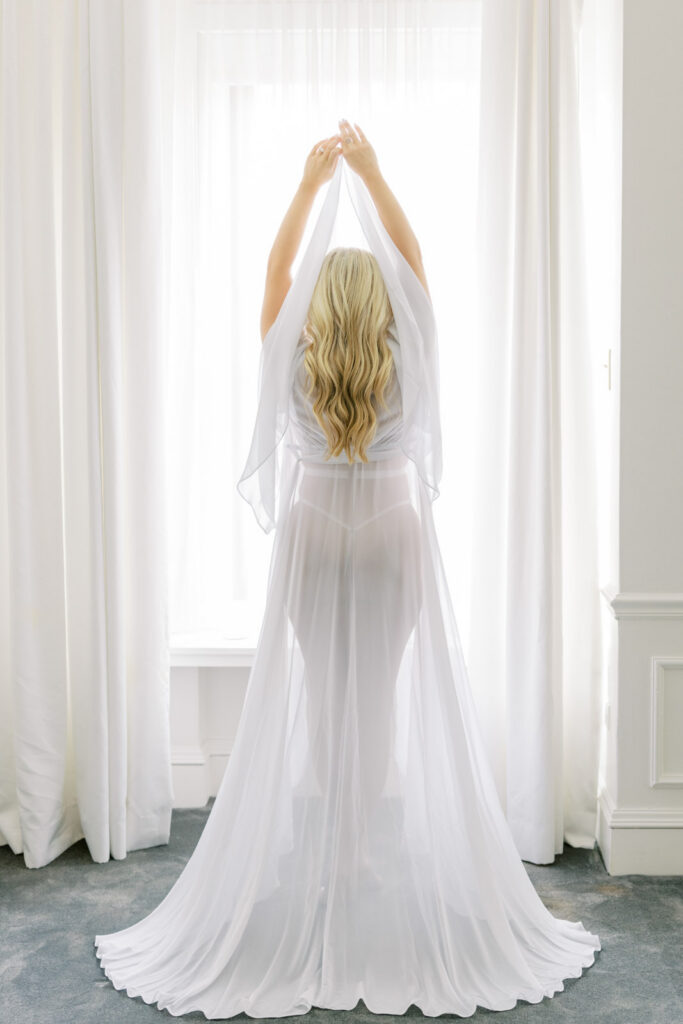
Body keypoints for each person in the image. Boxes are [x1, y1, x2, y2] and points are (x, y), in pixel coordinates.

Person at [95, 120, 600, 1018]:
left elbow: (272, 279)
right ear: (387, 306)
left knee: (327, 691)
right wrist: (371, 176)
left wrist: (307, 190)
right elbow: (414, 261)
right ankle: (358, 844)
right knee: (374, 693)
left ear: (316, 310)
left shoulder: (292, 354)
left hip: (315, 530)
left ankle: (333, 845)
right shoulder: (409, 352)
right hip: (392, 530)